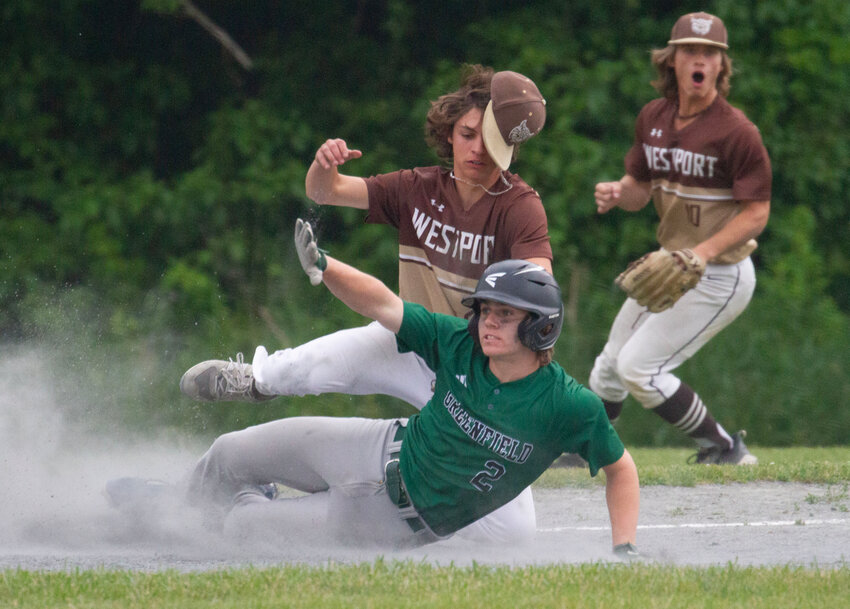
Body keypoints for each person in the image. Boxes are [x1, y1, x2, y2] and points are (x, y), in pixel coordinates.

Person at [180, 65, 552, 541]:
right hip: (409, 339)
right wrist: (324, 164)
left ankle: (311, 494)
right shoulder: (418, 188)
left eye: (490, 139)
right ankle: (256, 380)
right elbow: (324, 192)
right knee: (316, 362)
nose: (477, 148)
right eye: (467, 134)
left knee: (513, 530)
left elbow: (541, 283)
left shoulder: (518, 205)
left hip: (468, 370)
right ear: (449, 131)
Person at [176, 219, 639, 555]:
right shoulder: (460, 343)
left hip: (387, 521)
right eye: (486, 310)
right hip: (373, 447)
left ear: (541, 329)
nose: (488, 322)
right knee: (228, 451)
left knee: (242, 525)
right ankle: (165, 510)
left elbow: (622, 470)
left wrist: (624, 549)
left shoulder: (567, 405)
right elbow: (383, 304)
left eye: (506, 314)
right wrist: (325, 265)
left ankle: (246, 501)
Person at [589, 12, 771, 464]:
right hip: (672, 265)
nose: (700, 59)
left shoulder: (736, 131)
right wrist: (618, 192)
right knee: (611, 364)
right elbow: (639, 190)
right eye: (691, 50)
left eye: (710, 53)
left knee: (639, 370)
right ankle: (584, 450)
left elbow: (757, 212)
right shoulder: (654, 117)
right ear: (671, 60)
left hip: (720, 274)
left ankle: (725, 448)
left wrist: (703, 253)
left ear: (720, 66)